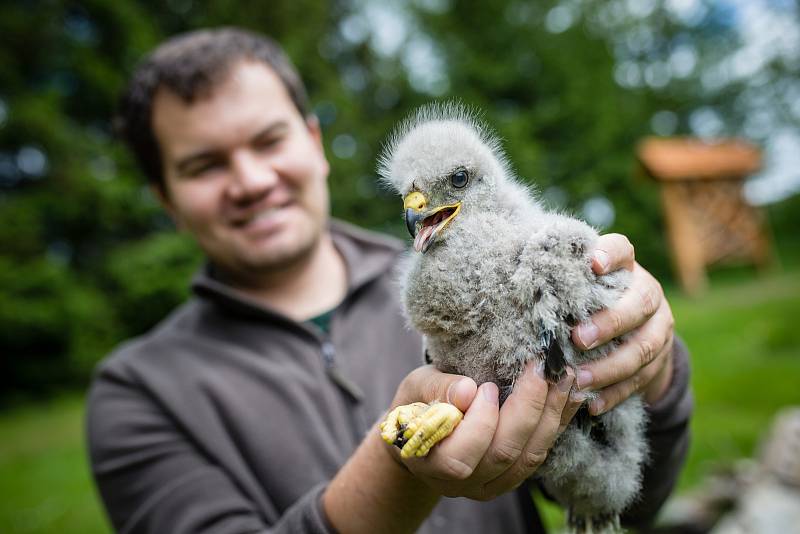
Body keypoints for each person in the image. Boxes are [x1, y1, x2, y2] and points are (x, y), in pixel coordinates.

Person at [87, 27, 692, 534]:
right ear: (166, 198)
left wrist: (650, 368)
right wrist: (398, 465)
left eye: (268, 139)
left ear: (314, 141)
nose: (249, 180)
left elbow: (629, 501)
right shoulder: (139, 394)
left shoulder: (521, 256)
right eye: (204, 164)